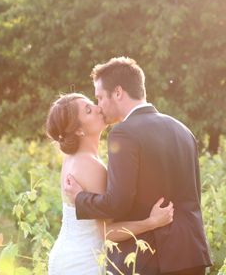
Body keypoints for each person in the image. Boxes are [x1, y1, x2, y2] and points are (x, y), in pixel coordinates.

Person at [64, 57, 212, 275]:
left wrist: (80, 199)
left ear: (118, 93)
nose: (99, 106)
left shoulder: (124, 133)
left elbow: (117, 202)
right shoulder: (183, 130)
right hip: (191, 255)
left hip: (149, 260)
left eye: (100, 97)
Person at [46, 93, 175, 275]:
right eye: (89, 110)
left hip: (67, 256)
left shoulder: (72, 159)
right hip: (84, 262)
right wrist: (151, 222)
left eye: (92, 103)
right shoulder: (91, 166)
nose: (98, 108)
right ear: (79, 130)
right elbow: (108, 233)